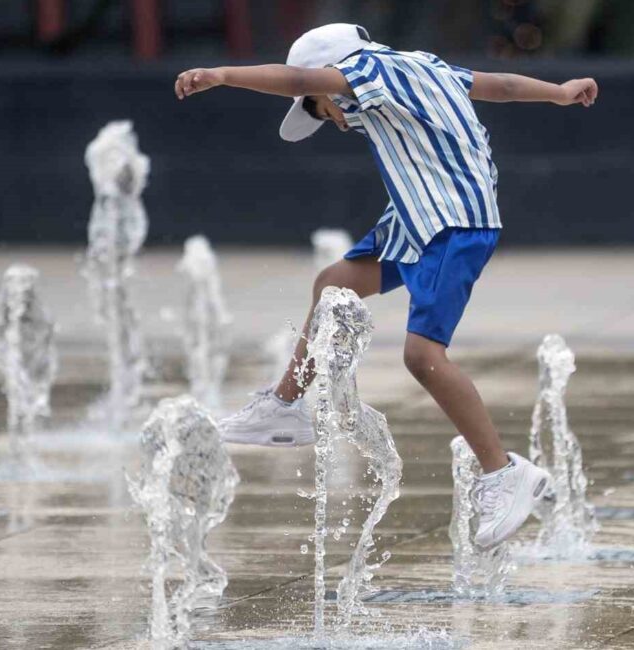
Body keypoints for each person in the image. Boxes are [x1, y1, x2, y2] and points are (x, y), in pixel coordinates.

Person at [173, 23, 598, 548]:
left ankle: (505, 472)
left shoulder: (368, 70)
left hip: (453, 226)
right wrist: (556, 92)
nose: (330, 121)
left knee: (423, 357)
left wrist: (222, 74)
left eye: (317, 109)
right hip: (417, 218)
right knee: (335, 285)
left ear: (332, 83)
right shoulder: (427, 65)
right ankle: (285, 407)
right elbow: (501, 87)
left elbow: (297, 77)